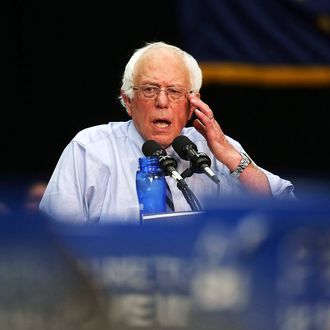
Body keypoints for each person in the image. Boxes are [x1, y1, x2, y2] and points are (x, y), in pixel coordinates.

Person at [39, 41, 295, 223]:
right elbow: (50, 243)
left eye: (174, 92)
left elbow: (289, 209)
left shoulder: (216, 149)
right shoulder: (90, 149)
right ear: (127, 101)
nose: (162, 102)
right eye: (149, 90)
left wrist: (231, 158)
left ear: (192, 102)